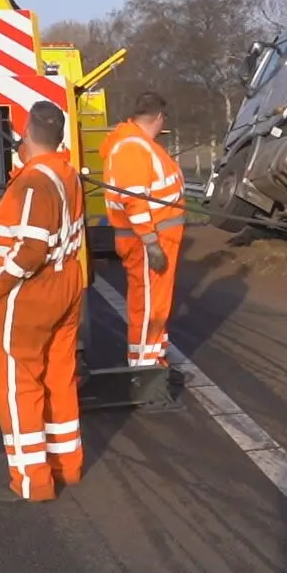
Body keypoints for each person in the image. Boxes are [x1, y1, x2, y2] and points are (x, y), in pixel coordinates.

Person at [0, 100, 87, 502]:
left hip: (30, 296)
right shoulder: (65, 173)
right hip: (67, 286)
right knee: (58, 377)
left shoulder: (33, 184)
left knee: (19, 387)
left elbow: (28, 253)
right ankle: (67, 465)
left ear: (27, 134)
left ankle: (32, 483)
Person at [102, 92, 186, 367]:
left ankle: (152, 358)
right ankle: (144, 366)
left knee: (155, 304)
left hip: (155, 239)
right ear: (159, 117)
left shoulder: (141, 145)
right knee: (148, 306)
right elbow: (134, 198)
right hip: (148, 242)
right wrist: (150, 242)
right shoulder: (132, 148)